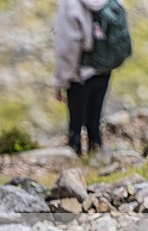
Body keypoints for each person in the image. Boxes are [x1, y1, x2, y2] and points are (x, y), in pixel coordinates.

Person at [53, 0, 128, 156]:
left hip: (80, 73)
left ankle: (76, 163)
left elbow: (67, 46)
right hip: (104, 68)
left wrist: (61, 80)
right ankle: (98, 158)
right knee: (95, 121)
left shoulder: (70, 3)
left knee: (76, 124)